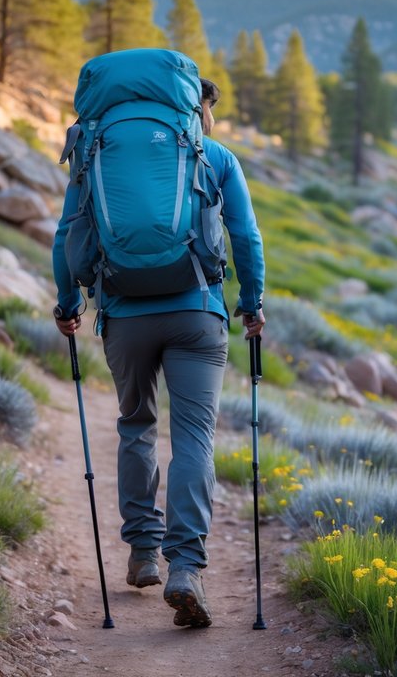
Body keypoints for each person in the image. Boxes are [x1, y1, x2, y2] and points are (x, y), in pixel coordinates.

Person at [51, 77, 265, 628]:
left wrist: (68, 303)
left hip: (125, 316)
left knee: (136, 425)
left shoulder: (98, 149)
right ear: (197, 108)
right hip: (197, 313)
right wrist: (252, 302)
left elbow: (65, 233)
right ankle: (185, 567)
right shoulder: (213, 155)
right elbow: (246, 235)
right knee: (193, 437)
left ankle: (143, 551)